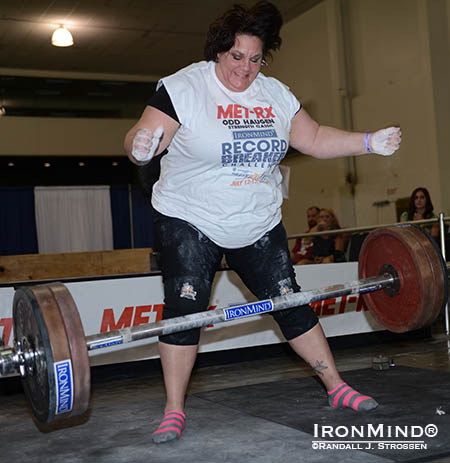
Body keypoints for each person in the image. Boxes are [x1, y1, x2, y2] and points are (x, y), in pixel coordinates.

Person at [124, 1, 402, 444]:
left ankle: (336, 387)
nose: (245, 69)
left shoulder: (273, 95)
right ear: (219, 52)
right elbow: (143, 135)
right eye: (237, 57)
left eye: (256, 59)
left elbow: (312, 137)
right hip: (190, 217)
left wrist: (368, 142)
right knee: (184, 312)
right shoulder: (184, 88)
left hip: (256, 218)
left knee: (289, 300)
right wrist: (141, 147)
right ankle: (174, 409)